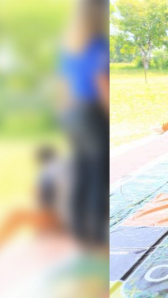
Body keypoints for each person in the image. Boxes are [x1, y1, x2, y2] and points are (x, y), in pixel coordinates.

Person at [59, 0, 108, 248]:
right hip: (91, 112)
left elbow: (63, 84)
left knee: (81, 170)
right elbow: (101, 83)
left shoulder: (69, 44)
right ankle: (96, 237)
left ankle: (78, 230)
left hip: (72, 112)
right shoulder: (97, 43)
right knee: (97, 173)